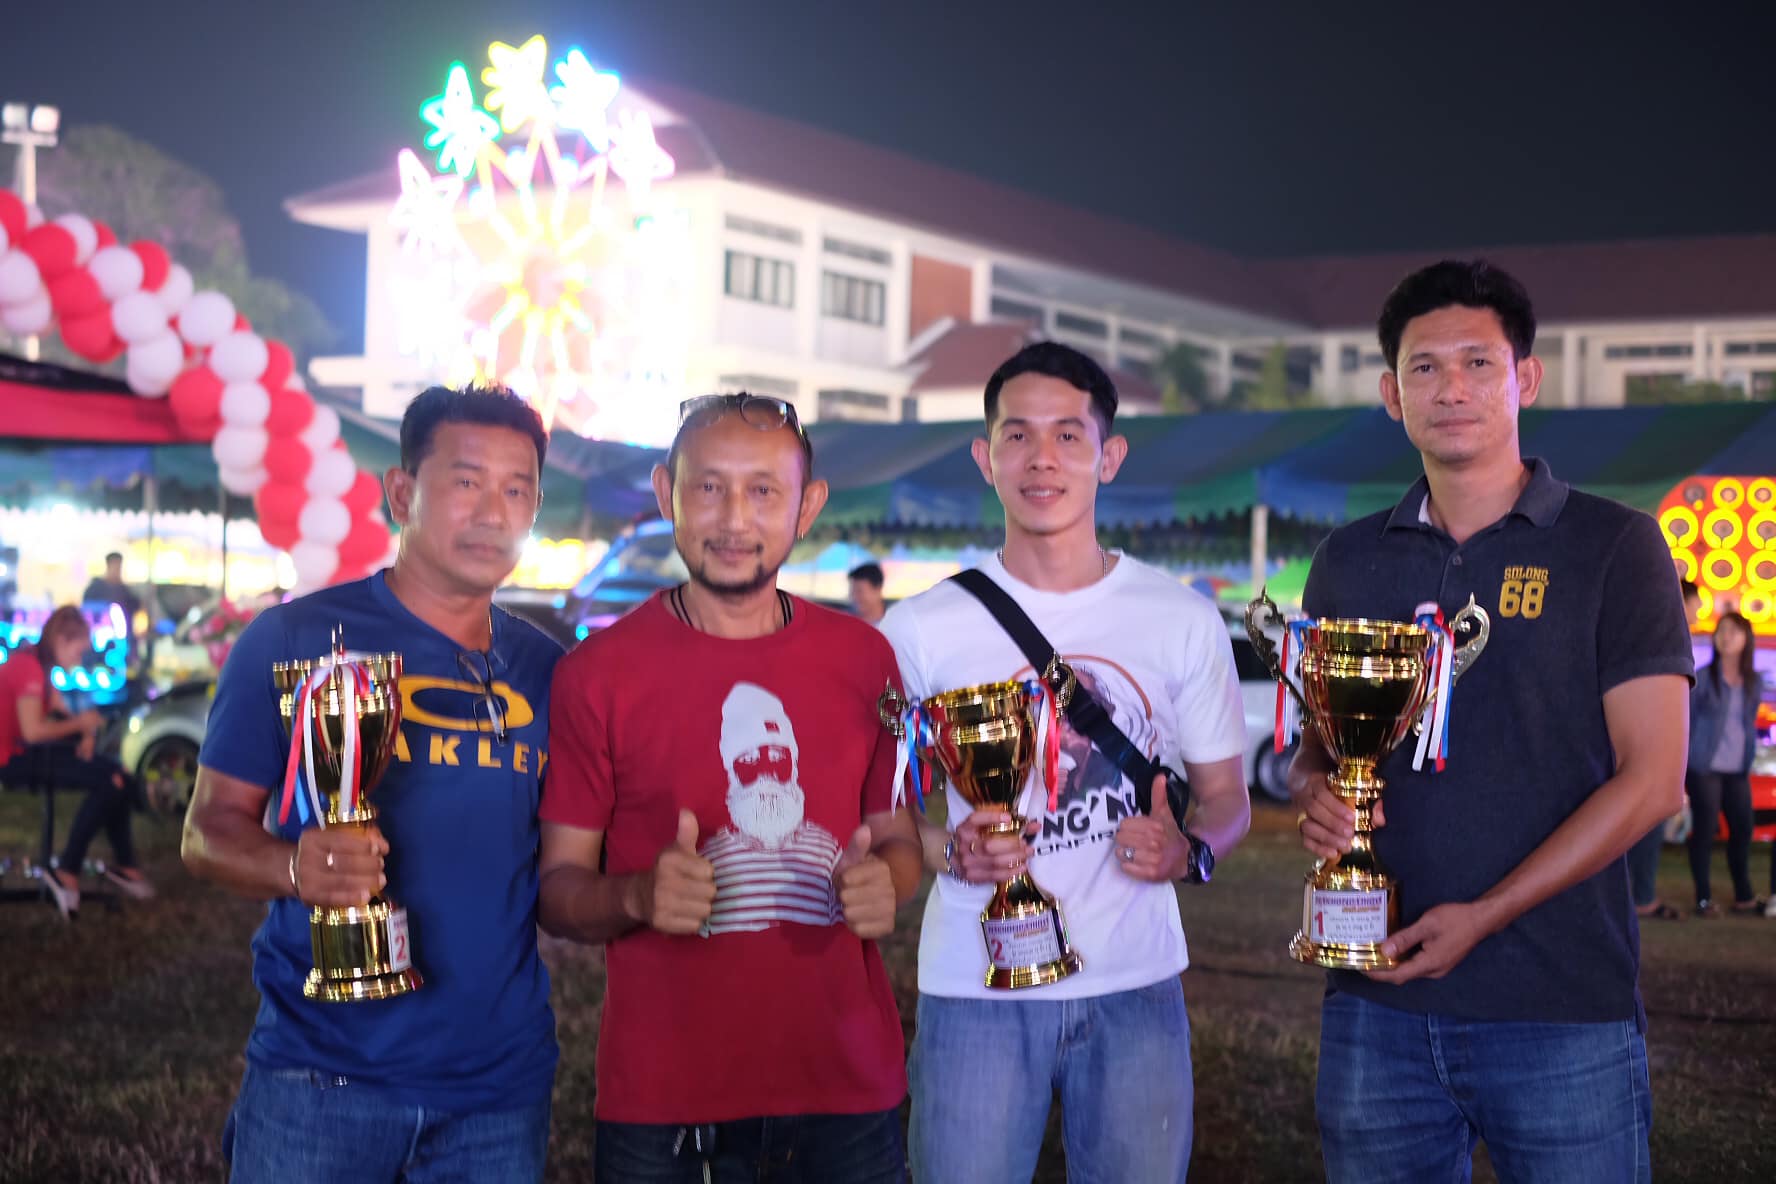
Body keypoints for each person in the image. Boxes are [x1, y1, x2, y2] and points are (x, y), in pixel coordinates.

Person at [1290, 260, 1691, 1183]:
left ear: (1526, 378)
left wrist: (1485, 917)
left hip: (1560, 1011)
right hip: (1374, 1005)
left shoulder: (1616, 546)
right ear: (1391, 395)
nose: (1452, 388)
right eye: (1424, 368)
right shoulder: (1347, 560)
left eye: (1479, 362)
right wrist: (1318, 795)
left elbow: (1654, 779)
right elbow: (1319, 747)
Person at [880, 342, 1251, 1182]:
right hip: (975, 987)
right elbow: (882, 809)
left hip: (1136, 985)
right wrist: (948, 849)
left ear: (1108, 456)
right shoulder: (920, 629)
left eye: (1068, 436)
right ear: (985, 459)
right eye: (1016, 436)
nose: (1041, 458)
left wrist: (1189, 850)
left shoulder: (1179, 619)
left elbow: (1227, 799)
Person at [537, 392, 923, 1182]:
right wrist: (637, 895)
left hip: (847, 1091)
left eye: (764, 491)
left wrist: (889, 883)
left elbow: (896, 839)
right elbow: (557, 890)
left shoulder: (865, 661)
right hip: (663, 1106)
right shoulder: (595, 675)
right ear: (666, 493)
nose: (734, 518)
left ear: (807, 506)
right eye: (709, 487)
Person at [182, 385, 562, 1183]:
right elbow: (207, 831)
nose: (492, 512)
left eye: (516, 489)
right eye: (466, 481)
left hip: (498, 1092)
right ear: (402, 492)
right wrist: (294, 867)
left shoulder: (547, 669)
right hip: (320, 1078)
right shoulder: (293, 639)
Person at [0, 604, 153, 916]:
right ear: (60, 640)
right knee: (109, 780)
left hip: (26, 753)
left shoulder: (38, 664)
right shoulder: (29, 668)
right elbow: (33, 732)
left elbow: (61, 712)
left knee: (118, 775)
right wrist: (81, 725)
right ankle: (69, 869)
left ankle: (122, 866)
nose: (80, 659)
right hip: (12, 760)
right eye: (79, 651)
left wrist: (85, 732)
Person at [1626, 578, 1701, 921]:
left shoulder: (1651, 635)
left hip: (1646, 745)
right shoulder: (1659, 639)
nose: (1697, 615)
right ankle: (1640, 897)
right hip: (1644, 746)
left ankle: (1638, 895)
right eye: (1694, 607)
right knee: (1645, 822)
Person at [1685, 609, 1765, 917]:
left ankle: (1744, 896)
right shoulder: (1704, 678)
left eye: (1733, 631)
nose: (1726, 637)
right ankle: (1703, 899)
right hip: (1703, 766)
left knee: (1743, 829)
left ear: (1746, 638)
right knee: (1705, 831)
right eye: (1721, 631)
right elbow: (1687, 720)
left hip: (1737, 768)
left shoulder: (1753, 681)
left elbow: (1748, 723)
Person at [82, 550, 142, 663]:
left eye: (119, 567)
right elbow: (87, 612)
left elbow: (135, 608)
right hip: (99, 643)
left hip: (122, 643)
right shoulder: (95, 589)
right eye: (115, 566)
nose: (117, 571)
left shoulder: (124, 590)